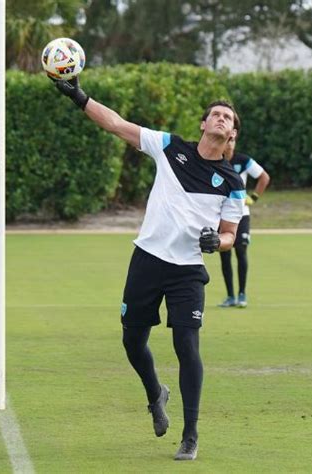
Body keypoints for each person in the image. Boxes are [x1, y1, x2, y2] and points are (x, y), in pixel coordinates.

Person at [51, 76, 245, 461]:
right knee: (132, 342)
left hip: (188, 271)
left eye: (229, 118)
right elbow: (116, 124)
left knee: (187, 346)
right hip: (148, 260)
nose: (222, 119)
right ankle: (156, 393)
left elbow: (230, 235)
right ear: (203, 124)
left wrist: (216, 243)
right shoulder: (170, 147)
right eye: (216, 115)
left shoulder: (232, 182)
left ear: (233, 134)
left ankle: (190, 435)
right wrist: (78, 95)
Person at [218, 136, 270, 308]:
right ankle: (230, 296)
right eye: (227, 141)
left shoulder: (244, 160)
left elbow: (264, 177)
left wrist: (253, 197)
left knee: (241, 251)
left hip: (242, 214)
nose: (230, 144)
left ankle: (242, 294)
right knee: (224, 255)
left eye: (232, 141)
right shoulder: (215, 160)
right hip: (220, 216)